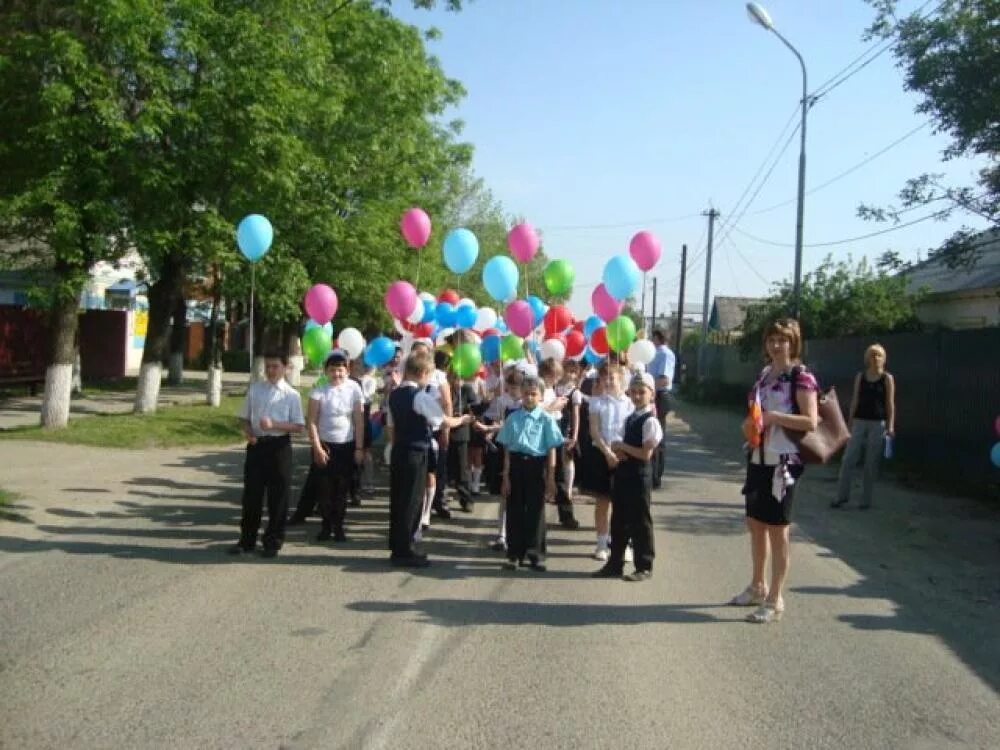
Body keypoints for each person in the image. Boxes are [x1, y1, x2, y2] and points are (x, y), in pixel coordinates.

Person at [731, 318, 818, 624]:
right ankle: (757, 585)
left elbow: (811, 421)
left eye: (782, 340)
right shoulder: (765, 375)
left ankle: (775, 598)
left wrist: (774, 417)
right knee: (755, 523)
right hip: (758, 457)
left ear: (793, 342)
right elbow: (756, 414)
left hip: (784, 463)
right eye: (771, 339)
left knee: (778, 530)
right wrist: (751, 424)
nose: (776, 345)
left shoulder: (801, 377)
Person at [387, 351, 471, 567]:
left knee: (398, 499)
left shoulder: (395, 394)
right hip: (416, 451)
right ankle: (406, 549)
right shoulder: (420, 397)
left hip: (400, 450)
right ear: (423, 373)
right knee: (412, 501)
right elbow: (442, 421)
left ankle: (397, 545)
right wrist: (462, 419)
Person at [230, 353, 305, 558]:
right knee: (252, 495)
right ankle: (247, 540)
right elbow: (243, 417)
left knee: (278, 496)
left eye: (275, 366)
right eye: (268, 367)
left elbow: (299, 426)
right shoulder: (256, 390)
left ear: (285, 368)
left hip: (279, 447)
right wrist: (249, 433)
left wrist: (275, 425)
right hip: (257, 446)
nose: (271, 371)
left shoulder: (291, 395)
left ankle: (273, 540)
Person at [593, 372, 663, 581]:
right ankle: (615, 563)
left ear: (651, 394)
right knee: (619, 520)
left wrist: (622, 446)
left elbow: (645, 453)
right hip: (624, 472)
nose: (637, 396)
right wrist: (618, 452)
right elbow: (630, 448)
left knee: (640, 520)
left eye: (642, 392)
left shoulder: (650, 421)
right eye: (633, 392)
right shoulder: (631, 417)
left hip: (639, 475)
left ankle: (644, 565)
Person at [496, 375, 564, 572]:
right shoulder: (512, 418)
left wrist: (551, 477)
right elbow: (507, 449)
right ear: (520, 395)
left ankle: (535, 553)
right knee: (515, 509)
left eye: (534, 394)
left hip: (536, 466)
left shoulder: (546, 419)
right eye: (526, 394)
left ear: (541, 396)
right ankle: (514, 554)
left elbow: (552, 448)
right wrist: (506, 476)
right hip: (516, 464)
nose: (529, 398)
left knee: (535, 510)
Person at [307, 350, 365, 543]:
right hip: (324, 445)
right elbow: (312, 421)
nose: (336, 374)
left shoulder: (354, 389)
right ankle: (325, 526)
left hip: (346, 445)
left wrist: (359, 448)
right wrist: (317, 448)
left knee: (342, 488)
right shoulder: (319, 389)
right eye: (332, 370)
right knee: (324, 489)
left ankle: (339, 526)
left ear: (347, 370)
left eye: (340, 370)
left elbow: (359, 420)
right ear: (326, 371)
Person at [832, 343, 896, 510]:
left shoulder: (887, 378)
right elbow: (855, 399)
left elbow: (890, 403)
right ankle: (841, 496)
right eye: (872, 355)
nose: (875, 359)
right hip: (859, 421)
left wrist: (890, 425)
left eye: (878, 355)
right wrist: (849, 422)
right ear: (867, 358)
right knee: (848, 459)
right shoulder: (861, 376)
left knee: (871, 462)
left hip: (878, 423)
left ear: (884, 358)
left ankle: (865, 500)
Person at [586, 363, 634, 562]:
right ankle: (601, 543)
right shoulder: (597, 402)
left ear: (620, 379)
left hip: (624, 455)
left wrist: (622, 450)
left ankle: (623, 544)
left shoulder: (629, 404)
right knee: (603, 502)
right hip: (602, 455)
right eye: (604, 377)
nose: (608, 381)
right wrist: (607, 452)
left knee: (623, 504)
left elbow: (632, 431)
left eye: (611, 377)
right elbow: (594, 430)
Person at [539, 358, 579, 529]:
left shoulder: (550, 389)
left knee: (560, 475)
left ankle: (566, 514)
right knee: (543, 474)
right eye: (554, 376)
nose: (556, 380)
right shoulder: (540, 387)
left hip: (554, 433)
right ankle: (537, 515)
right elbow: (535, 410)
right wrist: (553, 407)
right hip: (541, 436)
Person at [443, 367, 479, 512]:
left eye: (459, 378)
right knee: (445, 467)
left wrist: (467, 416)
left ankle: (466, 499)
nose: (456, 381)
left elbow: (474, 411)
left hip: (460, 433)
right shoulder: (444, 389)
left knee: (462, 469)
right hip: (445, 431)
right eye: (453, 378)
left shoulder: (467, 390)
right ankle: (441, 498)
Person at [647, 329, 676, 489]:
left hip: (659, 396)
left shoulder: (665, 354)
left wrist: (649, 387)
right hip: (652, 394)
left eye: (653, 337)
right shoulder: (654, 352)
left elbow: (664, 379)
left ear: (658, 338)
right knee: (650, 434)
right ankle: (651, 473)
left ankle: (656, 475)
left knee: (658, 437)